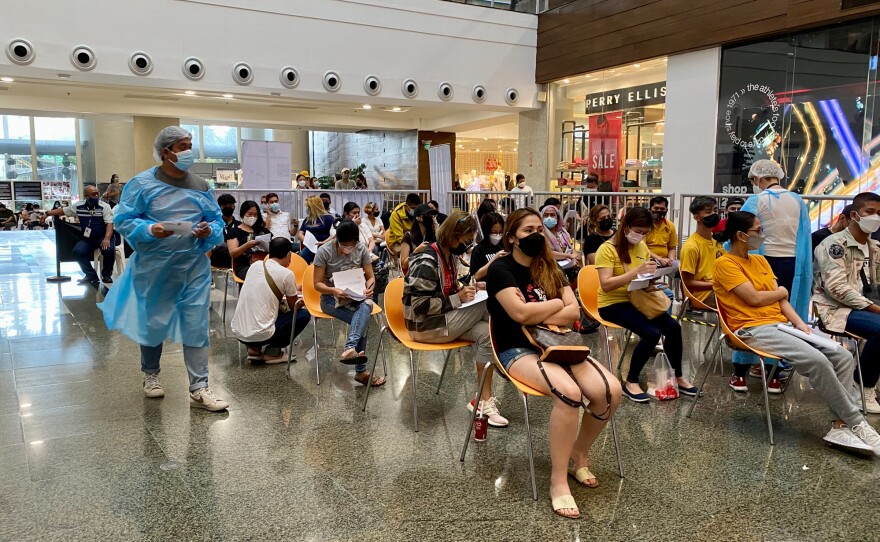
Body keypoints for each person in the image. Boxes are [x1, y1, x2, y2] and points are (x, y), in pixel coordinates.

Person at [486, 207, 621, 518]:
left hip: (559, 344)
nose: (535, 235)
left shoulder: (551, 268)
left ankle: (579, 453)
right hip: (516, 349)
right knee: (569, 394)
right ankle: (558, 481)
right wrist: (559, 303)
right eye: (527, 230)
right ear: (511, 238)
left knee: (610, 392)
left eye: (538, 229)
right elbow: (519, 316)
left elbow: (574, 313)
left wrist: (547, 307)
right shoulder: (501, 269)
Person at [713, 211, 880, 455]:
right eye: (757, 231)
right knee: (817, 361)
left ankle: (838, 425)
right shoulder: (725, 264)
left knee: (842, 357)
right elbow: (754, 298)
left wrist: (801, 325)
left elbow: (782, 301)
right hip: (750, 328)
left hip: (781, 325)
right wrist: (780, 292)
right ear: (740, 235)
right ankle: (857, 422)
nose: (762, 235)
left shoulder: (759, 261)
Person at [98, 126, 229, 411]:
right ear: (165, 151)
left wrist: (210, 231)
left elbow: (217, 221)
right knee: (153, 322)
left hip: (193, 265)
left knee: (196, 325)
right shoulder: (142, 184)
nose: (188, 151)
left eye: (190, 144)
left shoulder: (201, 185)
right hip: (154, 266)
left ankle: (199, 387)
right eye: (182, 145)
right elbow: (124, 219)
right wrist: (149, 228)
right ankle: (151, 376)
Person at [404, 209, 508, 427]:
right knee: (491, 306)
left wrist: (469, 288)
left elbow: (448, 288)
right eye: (465, 240)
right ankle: (508, 355)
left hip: (444, 320)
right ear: (453, 236)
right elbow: (420, 306)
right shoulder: (427, 260)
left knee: (487, 333)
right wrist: (457, 298)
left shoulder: (448, 255)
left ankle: (483, 400)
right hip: (424, 326)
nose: (467, 246)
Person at [595, 206, 698, 402]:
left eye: (644, 233)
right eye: (638, 232)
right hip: (613, 304)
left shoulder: (641, 246)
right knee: (651, 333)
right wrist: (636, 273)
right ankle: (631, 381)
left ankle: (677, 376)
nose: (640, 236)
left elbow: (641, 274)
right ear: (626, 227)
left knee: (674, 328)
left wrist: (651, 278)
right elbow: (606, 285)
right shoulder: (607, 250)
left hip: (638, 298)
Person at [813, 192, 880, 413]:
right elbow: (836, 289)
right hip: (836, 308)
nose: (876, 217)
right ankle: (862, 385)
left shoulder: (875, 247)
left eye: (879, 213)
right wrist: (875, 308)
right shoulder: (834, 245)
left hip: (869, 306)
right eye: (870, 212)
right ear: (854, 215)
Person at [313, 221, 385, 387]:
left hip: (356, 295)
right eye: (344, 246)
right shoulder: (324, 252)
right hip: (330, 299)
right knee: (362, 322)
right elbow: (317, 284)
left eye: (351, 246)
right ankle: (361, 371)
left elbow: (371, 277)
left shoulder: (361, 249)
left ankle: (350, 348)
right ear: (337, 240)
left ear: (357, 241)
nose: (348, 250)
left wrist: (369, 287)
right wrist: (334, 291)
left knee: (367, 303)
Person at [231, 237, 311, 363]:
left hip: (239, 332)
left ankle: (253, 349)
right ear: (289, 255)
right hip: (263, 334)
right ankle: (273, 352)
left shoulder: (254, 266)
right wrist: (305, 300)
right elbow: (293, 307)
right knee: (303, 315)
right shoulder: (287, 274)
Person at [45, 184, 116, 287]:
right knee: (78, 251)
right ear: (86, 196)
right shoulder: (78, 206)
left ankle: (106, 275)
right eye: (93, 194)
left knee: (108, 250)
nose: (96, 196)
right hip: (89, 239)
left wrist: (107, 238)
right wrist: (48, 213)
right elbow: (64, 211)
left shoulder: (104, 206)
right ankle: (91, 275)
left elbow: (109, 224)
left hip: (103, 236)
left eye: (97, 193)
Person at [679, 196, 725, 307]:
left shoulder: (717, 241)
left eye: (715, 210)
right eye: (709, 211)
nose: (714, 214)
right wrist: (715, 285)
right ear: (697, 217)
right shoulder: (691, 247)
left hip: (720, 289)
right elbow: (688, 283)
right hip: (702, 295)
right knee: (741, 301)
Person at [226, 201, 271, 280]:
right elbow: (233, 253)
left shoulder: (263, 230)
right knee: (261, 275)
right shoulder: (234, 231)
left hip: (265, 263)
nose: (253, 217)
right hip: (245, 266)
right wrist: (246, 245)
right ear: (243, 214)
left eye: (255, 215)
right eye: (249, 214)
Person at [401, 204, 438, 273]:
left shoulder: (432, 236)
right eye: (428, 215)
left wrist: (437, 232)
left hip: (430, 273)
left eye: (432, 215)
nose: (431, 218)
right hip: (414, 276)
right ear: (418, 218)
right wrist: (416, 252)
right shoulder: (408, 237)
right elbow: (404, 265)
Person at [469, 212, 506, 281]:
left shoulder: (505, 247)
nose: (498, 235)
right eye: (494, 232)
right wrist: (494, 259)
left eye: (500, 232)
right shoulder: (478, 250)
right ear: (486, 231)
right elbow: (476, 276)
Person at [298, 196, 335, 264]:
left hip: (325, 246)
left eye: (308, 207)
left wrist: (323, 242)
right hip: (311, 247)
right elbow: (300, 233)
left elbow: (334, 235)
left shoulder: (328, 218)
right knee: (303, 256)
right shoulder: (307, 219)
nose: (306, 209)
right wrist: (307, 241)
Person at [209, 193, 239, 269]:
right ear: (219, 207)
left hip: (235, 259)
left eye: (230, 205)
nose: (228, 207)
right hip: (217, 259)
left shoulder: (240, 226)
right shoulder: (214, 225)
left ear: (234, 206)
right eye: (225, 205)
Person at [645, 196, 678, 266]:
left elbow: (672, 248)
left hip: (665, 261)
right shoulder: (644, 225)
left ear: (666, 210)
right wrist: (659, 259)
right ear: (650, 210)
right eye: (656, 208)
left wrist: (671, 262)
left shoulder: (670, 225)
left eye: (662, 209)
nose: (659, 211)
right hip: (647, 259)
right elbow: (642, 248)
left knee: (679, 269)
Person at [388, 193, 421, 258]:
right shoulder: (396, 214)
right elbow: (399, 237)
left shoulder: (419, 213)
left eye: (416, 208)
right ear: (406, 206)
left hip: (414, 241)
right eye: (412, 208)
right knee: (408, 254)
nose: (414, 210)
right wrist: (414, 248)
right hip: (397, 243)